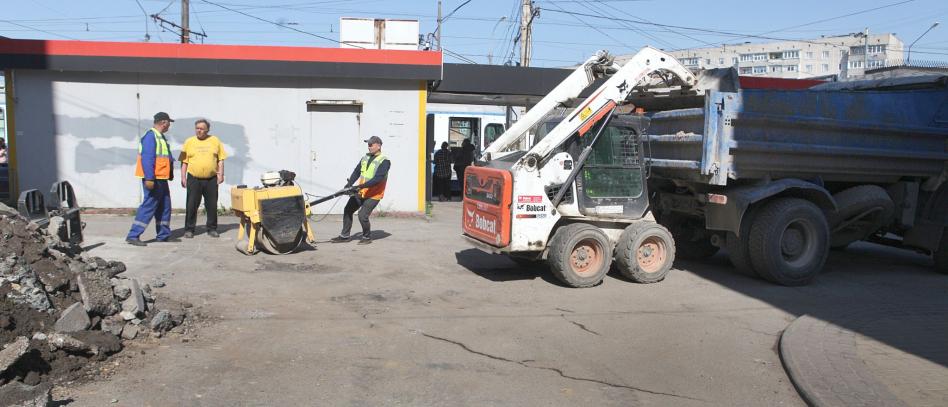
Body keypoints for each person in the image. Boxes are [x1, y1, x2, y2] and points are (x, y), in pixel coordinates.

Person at [126, 112, 175, 246]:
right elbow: (148, 159)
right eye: (168, 123)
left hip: (161, 178)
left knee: (165, 206)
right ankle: (133, 235)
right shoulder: (150, 136)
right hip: (154, 178)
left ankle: (163, 234)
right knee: (149, 206)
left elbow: (165, 157)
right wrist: (149, 178)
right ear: (164, 122)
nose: (169, 126)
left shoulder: (160, 137)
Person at [331, 136, 391, 245]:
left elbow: (378, 179)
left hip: (374, 194)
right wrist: (349, 185)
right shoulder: (365, 158)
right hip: (361, 192)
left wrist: (360, 186)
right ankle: (345, 236)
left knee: (362, 215)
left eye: (371, 144)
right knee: (348, 209)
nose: (369, 147)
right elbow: (356, 172)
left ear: (378, 146)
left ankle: (367, 237)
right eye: (368, 144)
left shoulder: (385, 161)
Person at [179, 119, 228, 238]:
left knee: (211, 205)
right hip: (194, 178)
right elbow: (184, 161)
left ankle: (212, 228)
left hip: (211, 179)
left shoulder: (215, 140)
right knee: (191, 205)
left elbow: (220, 159)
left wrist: (221, 174)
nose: (199, 130)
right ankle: (189, 229)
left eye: (201, 128)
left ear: (207, 130)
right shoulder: (189, 142)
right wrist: (183, 177)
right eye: (197, 128)